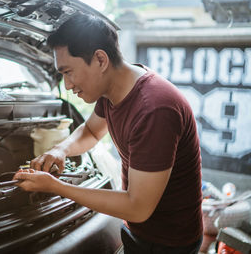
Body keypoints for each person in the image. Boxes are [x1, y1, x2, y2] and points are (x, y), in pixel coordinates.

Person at [13, 13, 203, 253]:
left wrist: (55, 187)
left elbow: (137, 207)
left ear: (100, 60)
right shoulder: (113, 90)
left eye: (68, 71)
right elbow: (92, 131)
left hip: (168, 242)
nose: (67, 85)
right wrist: (60, 149)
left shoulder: (154, 109)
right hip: (138, 230)